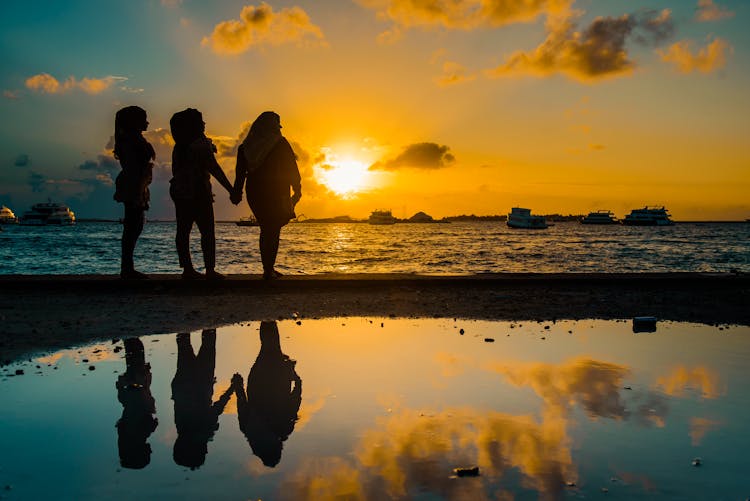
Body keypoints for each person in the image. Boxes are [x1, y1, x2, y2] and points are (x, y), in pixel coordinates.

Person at [231, 111, 301, 280]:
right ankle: (268, 269)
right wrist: (297, 189)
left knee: (266, 228)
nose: (279, 129)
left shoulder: (246, 147)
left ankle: (267, 268)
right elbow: (292, 168)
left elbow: (240, 173)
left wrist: (237, 192)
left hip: (255, 192)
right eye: (277, 125)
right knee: (273, 230)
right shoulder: (281, 144)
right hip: (276, 192)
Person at [169, 108, 234, 279]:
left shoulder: (180, 146)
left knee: (183, 231)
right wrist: (231, 190)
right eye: (201, 121)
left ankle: (187, 269)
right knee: (207, 231)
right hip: (197, 192)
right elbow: (215, 169)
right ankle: (210, 270)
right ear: (195, 125)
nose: (205, 124)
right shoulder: (199, 145)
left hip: (181, 191)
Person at [231, 321, 302, 467]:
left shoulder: (283, 430)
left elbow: (294, 401)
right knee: (267, 347)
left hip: (277, 380)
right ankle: (267, 318)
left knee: (271, 346)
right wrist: (238, 384)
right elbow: (241, 401)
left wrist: (296, 380)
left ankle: (268, 318)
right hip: (258, 381)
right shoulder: (248, 430)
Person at [171, 329, 233, 469]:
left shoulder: (203, 432)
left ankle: (209, 314)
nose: (206, 450)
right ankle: (184, 314)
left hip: (201, 384)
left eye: (204, 452)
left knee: (208, 344)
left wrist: (232, 389)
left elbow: (217, 408)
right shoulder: (182, 428)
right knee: (184, 344)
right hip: (183, 384)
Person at [113, 106, 155, 279]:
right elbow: (133, 168)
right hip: (133, 183)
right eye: (144, 119)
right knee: (132, 225)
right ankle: (127, 268)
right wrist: (138, 190)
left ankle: (127, 267)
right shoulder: (130, 141)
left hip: (137, 183)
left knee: (135, 225)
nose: (147, 122)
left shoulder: (133, 140)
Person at [115, 337, 158, 469]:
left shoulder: (143, 431)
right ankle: (128, 338)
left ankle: (128, 337)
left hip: (137, 388)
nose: (150, 451)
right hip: (132, 391)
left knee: (136, 353)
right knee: (134, 355)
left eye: (148, 453)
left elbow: (146, 409)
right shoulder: (129, 434)